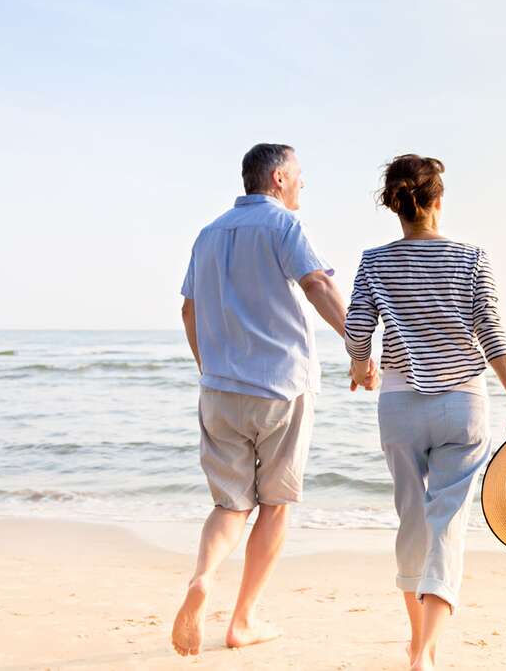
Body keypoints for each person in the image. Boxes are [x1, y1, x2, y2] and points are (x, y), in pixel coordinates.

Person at [345, 154, 506, 671]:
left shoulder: (374, 262)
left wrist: (361, 366)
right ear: (438, 200)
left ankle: (416, 642)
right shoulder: (471, 258)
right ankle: (426, 652)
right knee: (446, 522)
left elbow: (358, 327)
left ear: (394, 205)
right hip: (463, 404)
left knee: (412, 517)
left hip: (400, 404)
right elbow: (489, 329)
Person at [171, 143, 347, 656]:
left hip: (220, 390)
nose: (302, 183)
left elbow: (188, 311)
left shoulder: (208, 234)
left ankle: (203, 576)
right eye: (298, 174)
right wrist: (358, 344)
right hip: (280, 388)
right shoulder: (283, 226)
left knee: (230, 505)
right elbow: (317, 284)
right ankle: (242, 620)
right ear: (277, 178)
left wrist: (209, 368)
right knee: (274, 506)